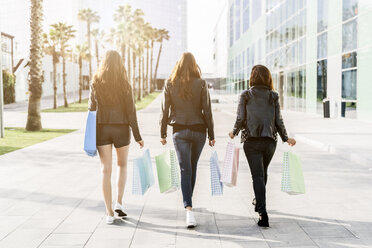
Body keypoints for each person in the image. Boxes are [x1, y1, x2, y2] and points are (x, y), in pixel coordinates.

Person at [229, 65, 296, 228]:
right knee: (262, 172)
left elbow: (240, 117)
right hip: (269, 142)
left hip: (251, 141)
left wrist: (234, 132)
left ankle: (262, 213)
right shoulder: (273, 95)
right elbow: (278, 120)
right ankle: (259, 200)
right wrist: (286, 138)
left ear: (252, 77)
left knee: (258, 175)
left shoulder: (245, 95)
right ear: (268, 78)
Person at [160, 52, 215, 228]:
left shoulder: (170, 83)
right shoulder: (201, 83)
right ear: (194, 65)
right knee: (191, 167)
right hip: (199, 132)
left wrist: (162, 133)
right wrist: (212, 135)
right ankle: (189, 206)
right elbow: (207, 111)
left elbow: (164, 111)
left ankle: (188, 209)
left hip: (179, 131)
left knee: (186, 169)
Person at [88, 50, 144, 224]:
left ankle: (109, 212)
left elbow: (91, 109)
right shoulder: (124, 84)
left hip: (102, 129)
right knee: (122, 165)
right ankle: (118, 201)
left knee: (105, 170)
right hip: (121, 129)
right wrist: (137, 136)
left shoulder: (96, 82)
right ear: (120, 64)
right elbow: (131, 112)